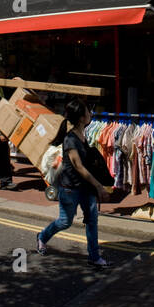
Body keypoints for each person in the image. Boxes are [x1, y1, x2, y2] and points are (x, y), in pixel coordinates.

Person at [36, 99, 114, 266]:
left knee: (92, 221)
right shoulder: (70, 140)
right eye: (88, 111)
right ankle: (42, 236)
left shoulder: (82, 134)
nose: (91, 114)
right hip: (70, 189)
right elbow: (79, 167)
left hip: (85, 188)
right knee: (65, 221)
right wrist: (99, 186)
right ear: (81, 118)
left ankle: (94, 257)